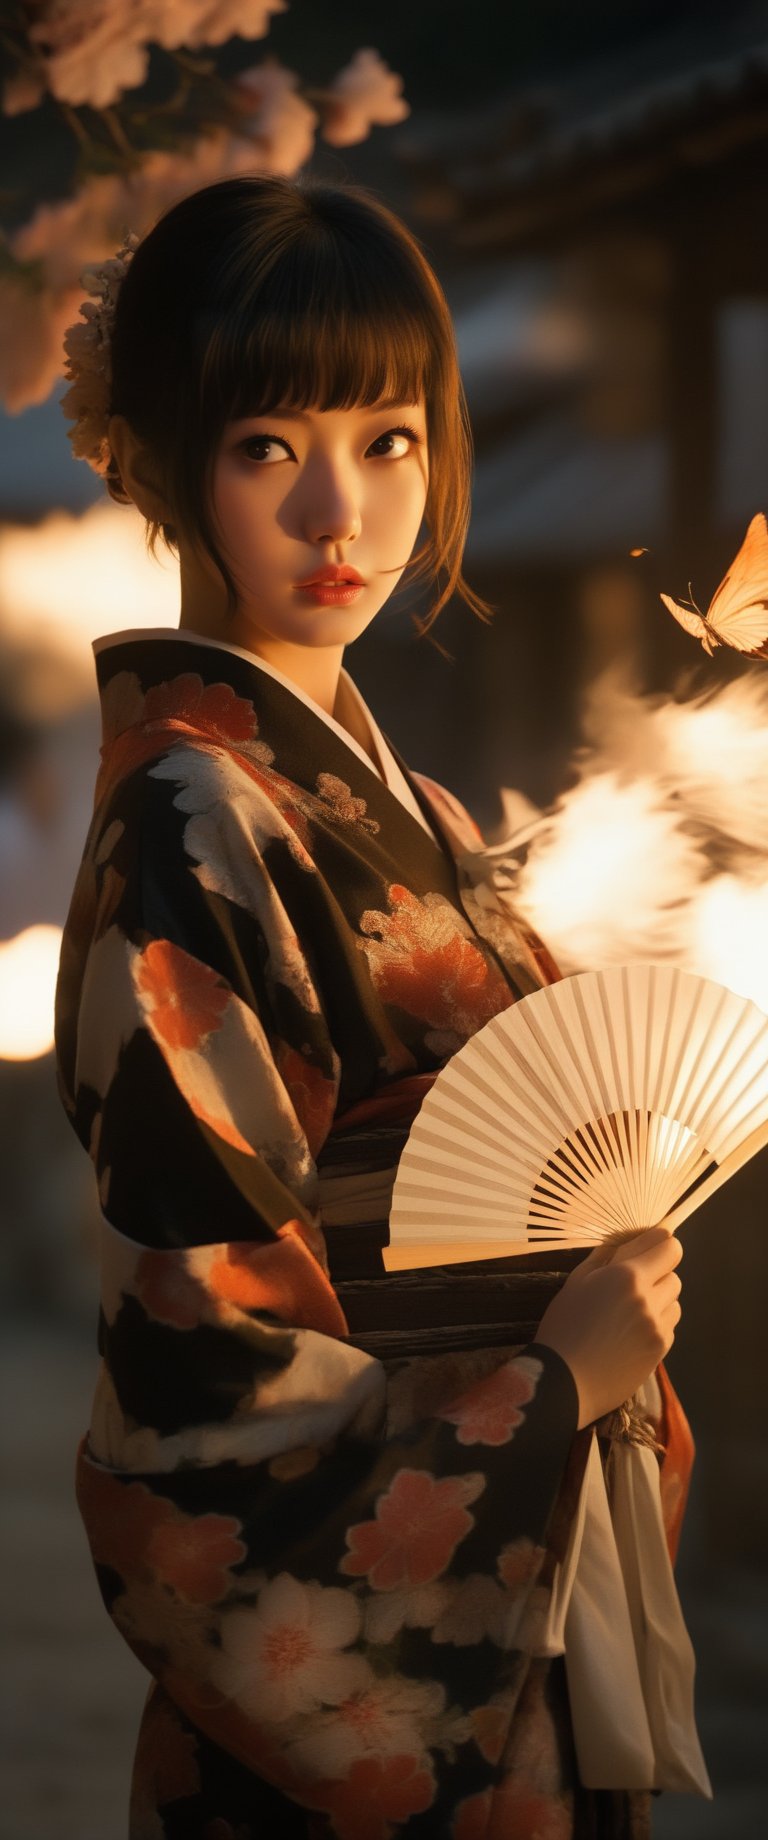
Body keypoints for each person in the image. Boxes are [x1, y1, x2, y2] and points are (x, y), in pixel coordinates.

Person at [55, 175, 701, 1840]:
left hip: (510, 1577)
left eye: (392, 438)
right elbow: (204, 1366)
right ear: (162, 456)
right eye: (269, 444)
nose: (341, 513)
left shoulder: (392, 795)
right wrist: (540, 1386)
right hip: (382, 1614)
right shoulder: (192, 818)